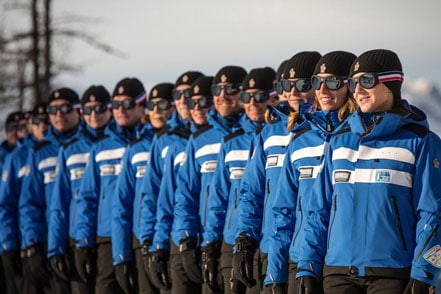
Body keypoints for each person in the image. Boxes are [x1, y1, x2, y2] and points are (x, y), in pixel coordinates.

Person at [295, 49, 441, 294]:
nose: (358, 90)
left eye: (367, 81)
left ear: (391, 83)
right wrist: (306, 267)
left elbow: (433, 215)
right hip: (338, 273)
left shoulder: (420, 141)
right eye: (353, 82)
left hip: (393, 275)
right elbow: (317, 211)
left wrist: (425, 272)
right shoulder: (339, 141)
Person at [265, 51, 357, 293]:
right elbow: (283, 210)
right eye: (318, 82)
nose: (324, 90)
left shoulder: (363, 137)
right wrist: (274, 273)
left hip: (346, 262)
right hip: (302, 258)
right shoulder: (301, 139)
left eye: (333, 82)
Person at [233, 51, 321, 293]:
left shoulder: (329, 135)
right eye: (286, 85)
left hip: (319, 253)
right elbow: (252, 193)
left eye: (302, 84)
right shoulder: (270, 134)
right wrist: (244, 242)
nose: (292, 92)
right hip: (271, 246)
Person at [203, 67, 277, 294]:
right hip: (234, 240)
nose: (253, 102)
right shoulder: (231, 142)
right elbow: (218, 199)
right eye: (247, 96)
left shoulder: (281, 137)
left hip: (269, 240)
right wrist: (210, 246)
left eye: (260, 96)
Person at [173, 65, 247, 294]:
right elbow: (185, 195)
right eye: (218, 89)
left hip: (249, 239)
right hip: (212, 239)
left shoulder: (255, 134)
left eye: (231, 88)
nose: (223, 95)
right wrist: (189, 240)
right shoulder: (200, 139)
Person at [74, 77, 146, 294]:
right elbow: (87, 197)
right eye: (116, 104)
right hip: (107, 236)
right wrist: (83, 241)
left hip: (142, 234)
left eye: (127, 104)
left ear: (141, 105)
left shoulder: (151, 141)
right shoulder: (102, 146)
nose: (120, 110)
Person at [146, 76, 214, 294]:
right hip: (178, 238)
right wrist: (158, 246)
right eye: (179, 95)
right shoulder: (171, 141)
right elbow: (161, 198)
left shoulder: (218, 138)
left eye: (192, 96)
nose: (185, 101)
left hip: (210, 239)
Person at [47, 85, 112, 294]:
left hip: (108, 237)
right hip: (77, 237)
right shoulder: (70, 149)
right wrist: (55, 246)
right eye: (87, 109)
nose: (93, 115)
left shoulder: (117, 144)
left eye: (99, 108)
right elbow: (59, 203)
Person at [111, 82, 175, 294]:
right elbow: (122, 203)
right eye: (152, 105)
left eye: (163, 104)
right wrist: (120, 256)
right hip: (143, 240)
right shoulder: (137, 147)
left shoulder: (179, 142)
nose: (156, 111)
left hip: (172, 238)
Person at [19, 88, 82, 293]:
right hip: (50, 241)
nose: (58, 115)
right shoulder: (40, 152)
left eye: (65, 109)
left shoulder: (87, 145)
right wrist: (33, 244)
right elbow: (29, 203)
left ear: (77, 110)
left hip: (81, 239)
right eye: (53, 110)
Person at [0, 103, 49, 294]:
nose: (42, 126)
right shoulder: (17, 157)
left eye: (46, 121)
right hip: (22, 241)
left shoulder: (55, 149)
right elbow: (6, 205)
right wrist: (8, 245)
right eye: (37, 121)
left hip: (51, 240)